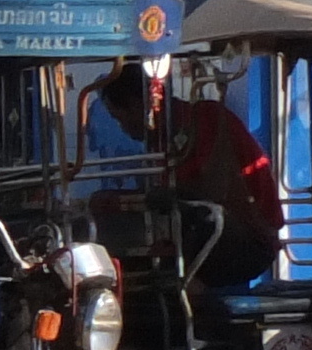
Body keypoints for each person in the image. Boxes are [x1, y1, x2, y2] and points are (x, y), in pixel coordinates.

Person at [93, 62, 284, 291]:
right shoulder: (161, 141)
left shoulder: (206, 119)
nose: (122, 127)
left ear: (138, 105)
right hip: (211, 234)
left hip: (248, 238)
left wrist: (166, 196)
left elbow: (212, 191)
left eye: (120, 118)